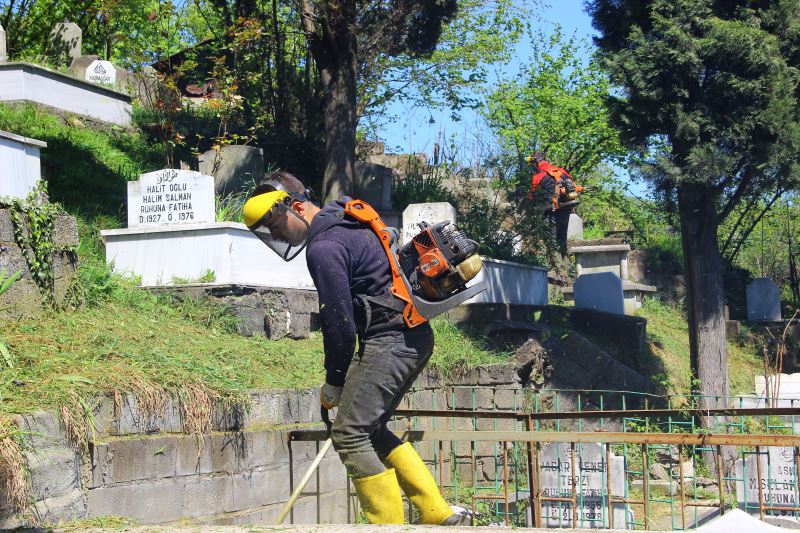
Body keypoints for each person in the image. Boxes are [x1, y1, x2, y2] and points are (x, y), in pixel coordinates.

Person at [242, 170, 469, 525]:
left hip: (391, 340)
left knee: (348, 434)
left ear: (296, 207)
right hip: (411, 335)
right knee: (371, 428)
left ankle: (386, 526)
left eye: (274, 224)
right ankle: (436, 512)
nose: (274, 234)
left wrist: (334, 380)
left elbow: (339, 324)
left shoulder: (324, 247)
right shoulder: (345, 219)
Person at [527, 152, 584, 260]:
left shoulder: (537, 177)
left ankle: (553, 267)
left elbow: (531, 196)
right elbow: (573, 185)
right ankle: (566, 265)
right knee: (562, 238)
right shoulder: (562, 171)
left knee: (550, 240)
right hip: (566, 208)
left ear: (536, 162)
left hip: (550, 210)